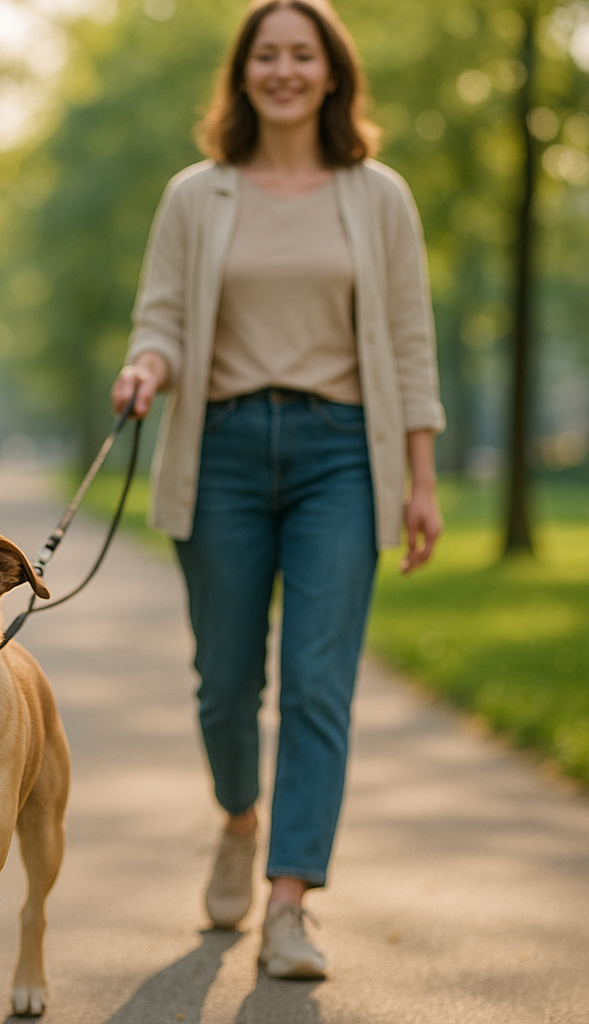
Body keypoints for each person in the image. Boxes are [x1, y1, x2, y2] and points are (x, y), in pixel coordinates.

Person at [110, 0, 445, 980]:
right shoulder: (195, 195)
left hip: (341, 452)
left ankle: (290, 900)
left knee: (316, 682)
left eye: (304, 54)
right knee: (224, 681)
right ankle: (239, 816)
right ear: (243, 72)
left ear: (333, 73)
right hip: (218, 449)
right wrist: (145, 368)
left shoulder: (377, 195)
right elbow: (160, 317)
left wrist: (419, 479)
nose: (286, 69)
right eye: (269, 54)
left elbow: (412, 344)